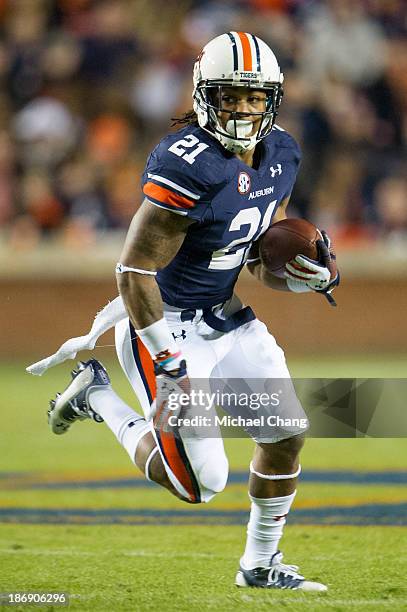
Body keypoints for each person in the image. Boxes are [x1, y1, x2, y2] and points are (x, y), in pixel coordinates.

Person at [44, 32, 339, 591]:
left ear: (272, 100)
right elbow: (134, 272)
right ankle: (95, 395)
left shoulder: (282, 154)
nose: (243, 108)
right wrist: (168, 360)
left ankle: (259, 565)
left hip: (226, 315)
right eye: (231, 95)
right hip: (165, 324)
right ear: (206, 94)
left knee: (285, 434)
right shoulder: (187, 163)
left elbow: (248, 252)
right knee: (199, 483)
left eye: (255, 98)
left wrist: (299, 273)